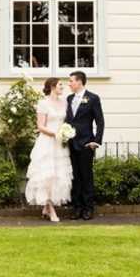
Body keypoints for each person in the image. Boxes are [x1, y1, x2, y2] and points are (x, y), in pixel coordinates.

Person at [24, 77, 73, 223]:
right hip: (47, 143)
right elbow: (40, 126)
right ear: (52, 86)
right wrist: (55, 134)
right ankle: (51, 210)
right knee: (47, 176)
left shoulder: (64, 102)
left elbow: (65, 121)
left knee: (58, 175)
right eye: (60, 85)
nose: (62, 87)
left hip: (60, 144)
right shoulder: (43, 103)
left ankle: (47, 207)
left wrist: (65, 132)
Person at [65, 70, 104, 220]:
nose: (69, 84)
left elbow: (100, 121)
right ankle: (77, 208)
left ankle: (88, 208)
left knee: (86, 177)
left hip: (87, 143)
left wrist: (96, 141)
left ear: (79, 82)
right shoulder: (69, 98)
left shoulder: (93, 98)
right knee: (75, 177)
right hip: (71, 143)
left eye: (71, 81)